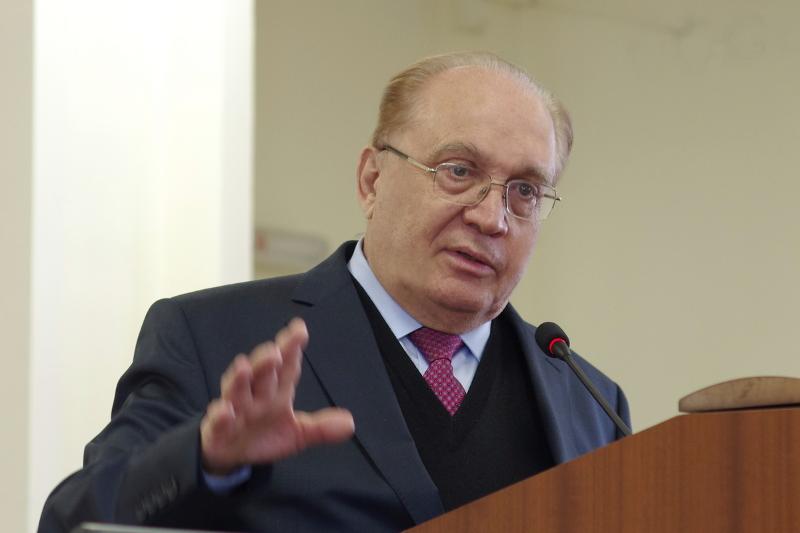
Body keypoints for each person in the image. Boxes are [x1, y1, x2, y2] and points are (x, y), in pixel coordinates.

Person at [39, 51, 630, 533]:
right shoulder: (213, 339)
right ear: (372, 180)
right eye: (458, 171)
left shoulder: (590, 403)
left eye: (524, 190)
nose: (491, 217)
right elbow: (73, 521)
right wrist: (206, 459)